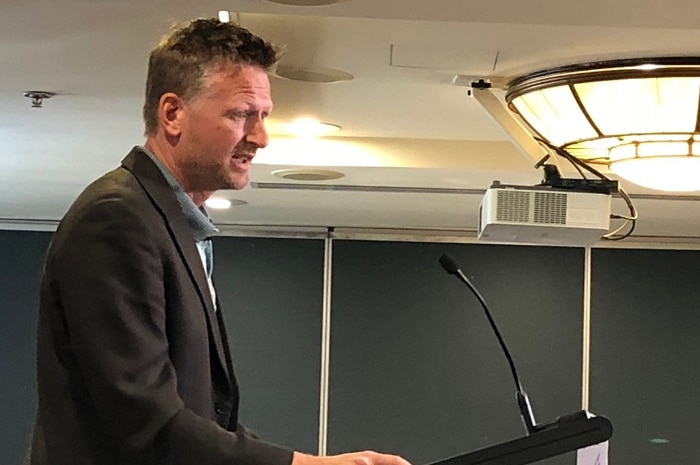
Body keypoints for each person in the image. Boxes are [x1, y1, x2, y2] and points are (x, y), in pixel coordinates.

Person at [30, 18, 412, 465]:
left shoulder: (171, 223)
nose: (261, 138)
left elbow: (203, 416)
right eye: (240, 115)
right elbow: (147, 424)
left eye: (264, 116)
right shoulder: (116, 219)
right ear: (172, 114)